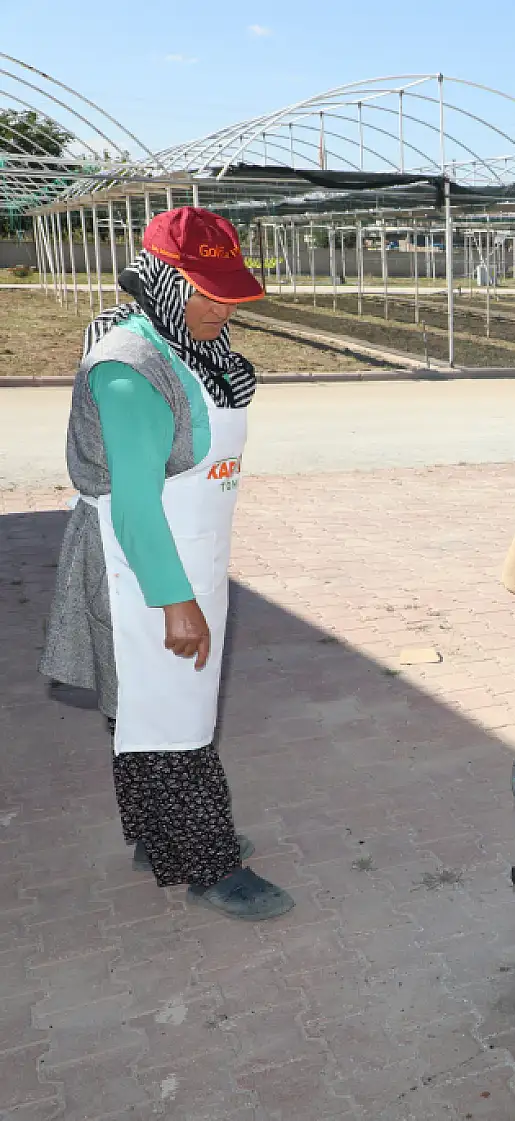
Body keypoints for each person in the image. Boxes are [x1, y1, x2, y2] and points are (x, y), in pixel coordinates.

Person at [40, 207, 293, 920]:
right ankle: (209, 864)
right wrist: (173, 597)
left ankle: (165, 836)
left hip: (192, 558)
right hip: (141, 566)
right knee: (169, 711)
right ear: (159, 282)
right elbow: (135, 504)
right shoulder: (130, 367)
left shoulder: (194, 350)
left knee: (156, 708)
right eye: (205, 290)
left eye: (230, 290)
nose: (223, 306)